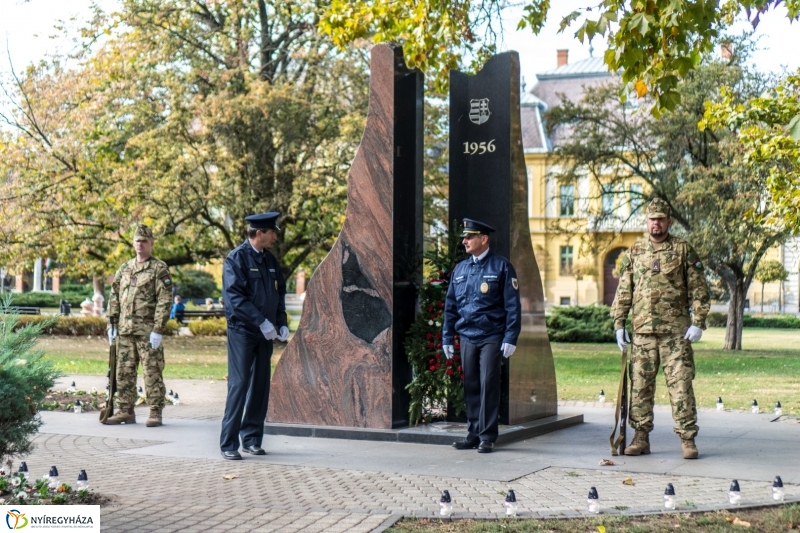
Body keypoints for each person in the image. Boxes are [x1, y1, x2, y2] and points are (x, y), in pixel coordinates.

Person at [611, 198, 710, 459]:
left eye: (661, 219)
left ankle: (688, 439)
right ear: (647, 221)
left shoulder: (683, 249)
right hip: (642, 332)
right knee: (640, 387)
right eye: (652, 219)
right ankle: (640, 437)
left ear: (669, 221)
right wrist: (619, 322)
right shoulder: (635, 251)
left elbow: (699, 289)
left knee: (681, 386)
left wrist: (698, 322)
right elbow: (625, 289)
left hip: (675, 334)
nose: (656, 223)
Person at [442, 218, 521, 454]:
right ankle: (473, 433)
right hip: (467, 335)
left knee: (488, 384)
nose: (464, 241)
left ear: (483, 239)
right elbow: (451, 305)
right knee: (472, 385)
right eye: (464, 237)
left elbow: (512, 306)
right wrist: (447, 337)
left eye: (469, 237)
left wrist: (510, 336)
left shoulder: (501, 267)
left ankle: (487, 436)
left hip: (492, 335)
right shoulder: (461, 268)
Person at [219, 212, 289, 460]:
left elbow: (279, 294)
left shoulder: (270, 261)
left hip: (265, 334)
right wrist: (260, 321)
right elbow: (235, 299)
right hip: (243, 332)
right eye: (272, 232)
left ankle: (251, 439)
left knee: (260, 386)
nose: (274, 237)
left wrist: (281, 323)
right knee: (239, 385)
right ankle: (228, 443)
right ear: (259, 233)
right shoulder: (236, 259)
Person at [105, 223, 173, 427]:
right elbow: (114, 296)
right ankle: (125, 411)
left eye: (144, 241)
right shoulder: (125, 268)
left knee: (151, 371)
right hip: (125, 331)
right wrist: (112, 323)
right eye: (137, 241)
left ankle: (155, 412)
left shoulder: (159, 268)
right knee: (123, 372)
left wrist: (158, 329)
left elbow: (165, 298)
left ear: (151, 243)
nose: (140, 244)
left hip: (147, 332)